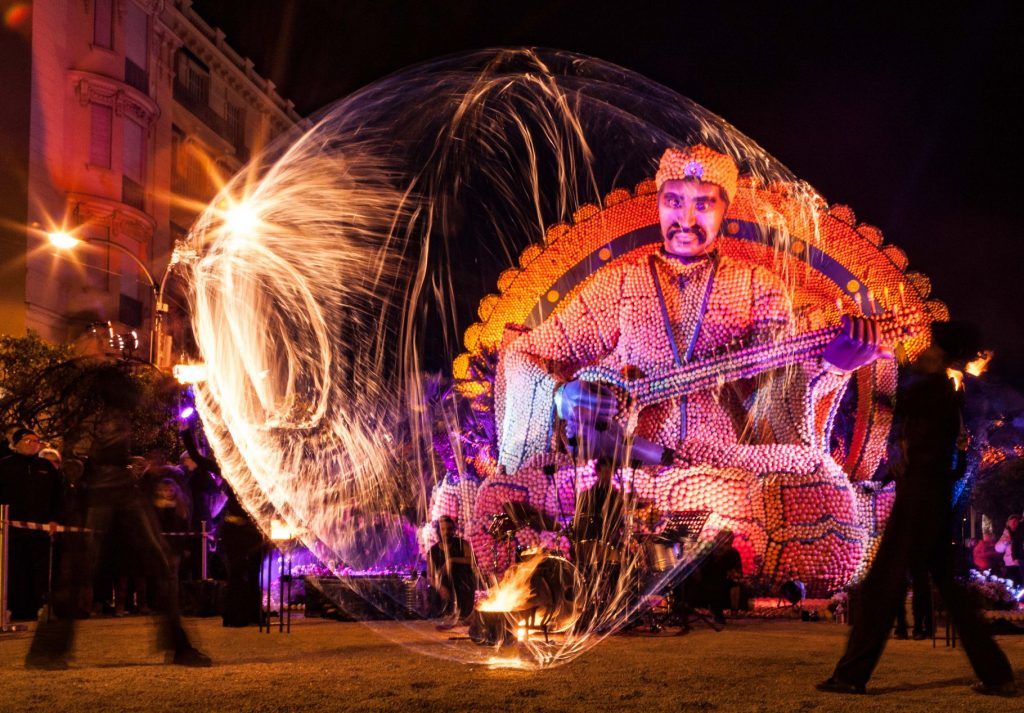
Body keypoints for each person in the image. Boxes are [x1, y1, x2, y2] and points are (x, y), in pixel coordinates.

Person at [492, 143, 887, 588]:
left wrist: (833, 366)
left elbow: (776, 390)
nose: (686, 218)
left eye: (703, 204)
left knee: (818, 477)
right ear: (658, 204)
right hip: (623, 460)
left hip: (722, 461)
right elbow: (521, 355)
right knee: (510, 494)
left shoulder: (758, 285)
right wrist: (561, 395)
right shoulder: (619, 284)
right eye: (674, 201)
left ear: (725, 209)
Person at [817, 321, 1016, 697]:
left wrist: (872, 358)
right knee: (949, 591)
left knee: (882, 584)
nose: (924, 352)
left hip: (921, 497)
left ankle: (851, 675)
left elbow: (889, 400)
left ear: (940, 353)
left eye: (931, 347)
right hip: (930, 496)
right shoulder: (943, 390)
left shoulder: (936, 389)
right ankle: (996, 674)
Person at [25, 353, 210, 669]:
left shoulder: (109, 415)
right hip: (105, 495)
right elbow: (87, 456)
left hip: (120, 493)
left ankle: (179, 646)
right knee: (83, 571)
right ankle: (48, 649)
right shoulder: (99, 416)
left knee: (151, 565)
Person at [0, 428, 62, 620]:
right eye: (28, 440)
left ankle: (34, 606)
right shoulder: (5, 466)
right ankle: (13, 607)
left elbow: (58, 496)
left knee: (37, 570)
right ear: (17, 443)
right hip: (12, 530)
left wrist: (55, 518)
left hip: (39, 529)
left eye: (36, 441)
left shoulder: (46, 467)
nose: (33, 444)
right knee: (15, 569)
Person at [428, 516, 476, 620]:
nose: (446, 532)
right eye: (443, 529)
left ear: (453, 530)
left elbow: (473, 561)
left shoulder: (462, 544)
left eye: (449, 529)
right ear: (438, 531)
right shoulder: (433, 551)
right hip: (444, 589)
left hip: (463, 588)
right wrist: (440, 588)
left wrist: (451, 560)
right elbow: (430, 577)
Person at [994, 514, 1023, 585]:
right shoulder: (1006, 534)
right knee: (1015, 585)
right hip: (1010, 564)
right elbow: (998, 549)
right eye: (1011, 522)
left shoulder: (1021, 533)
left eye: (1015, 522)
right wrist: (1005, 541)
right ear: (1008, 523)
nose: (1013, 524)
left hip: (1021, 563)